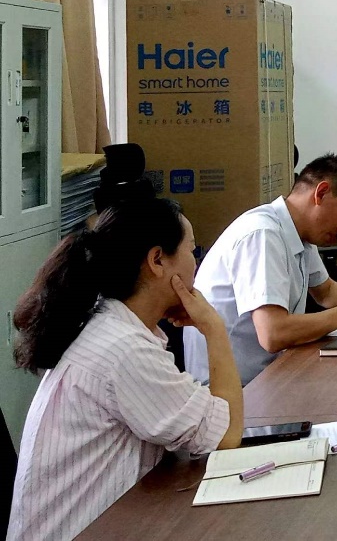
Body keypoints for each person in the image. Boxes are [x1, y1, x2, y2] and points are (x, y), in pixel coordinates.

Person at [8, 199, 243, 541]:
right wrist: (215, 329)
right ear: (157, 260)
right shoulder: (124, 350)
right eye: (192, 250)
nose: (196, 261)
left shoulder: (109, 325)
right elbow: (227, 437)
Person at [185, 154, 337, 385]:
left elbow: (327, 291)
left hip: (269, 374)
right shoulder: (263, 235)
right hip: (233, 390)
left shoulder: (298, 233)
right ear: (321, 193)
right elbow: (273, 334)